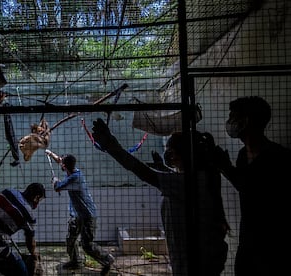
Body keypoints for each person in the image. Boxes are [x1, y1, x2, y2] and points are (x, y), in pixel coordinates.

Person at [92, 118, 229, 276]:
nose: (167, 153)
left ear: (182, 153)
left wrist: (112, 146)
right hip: (202, 256)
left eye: (170, 150)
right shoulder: (202, 176)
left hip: (196, 260)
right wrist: (163, 168)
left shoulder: (189, 181)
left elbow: (141, 171)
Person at [213, 96, 291, 276]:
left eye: (233, 117)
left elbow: (253, 189)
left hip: (274, 244)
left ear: (245, 121)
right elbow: (245, 185)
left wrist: (224, 166)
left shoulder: (278, 158)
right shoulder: (243, 155)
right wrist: (225, 166)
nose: (230, 122)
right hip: (248, 239)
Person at [46, 151, 115, 276]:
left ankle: (107, 259)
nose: (60, 163)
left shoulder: (74, 178)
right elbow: (60, 161)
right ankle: (75, 261)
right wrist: (50, 153)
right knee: (70, 239)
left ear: (64, 166)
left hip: (87, 215)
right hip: (77, 214)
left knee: (87, 245)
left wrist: (55, 181)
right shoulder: (73, 171)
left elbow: (57, 187)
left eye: (62, 163)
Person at [0, 182, 46, 276]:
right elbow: (30, 243)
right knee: (22, 272)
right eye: (39, 200)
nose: (38, 204)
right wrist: (34, 254)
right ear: (36, 197)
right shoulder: (29, 216)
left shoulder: (9, 192)